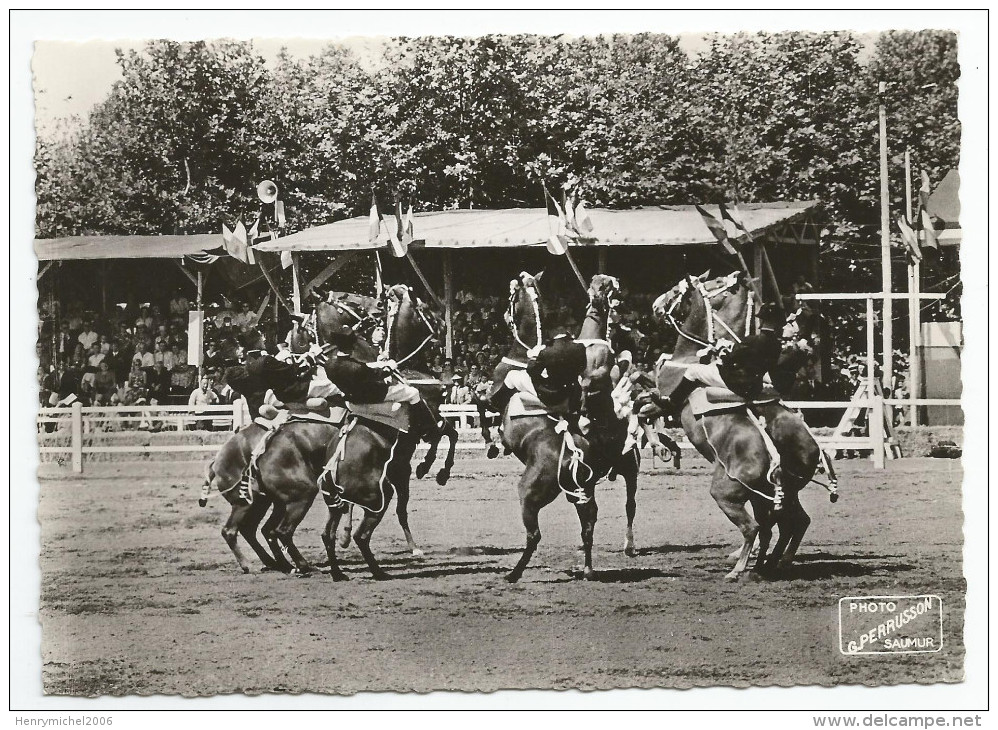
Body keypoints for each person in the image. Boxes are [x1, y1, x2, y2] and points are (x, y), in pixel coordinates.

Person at [651, 303, 785, 413]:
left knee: (693, 370)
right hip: (754, 385)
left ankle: (671, 403)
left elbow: (730, 359)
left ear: (763, 320)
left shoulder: (753, 340)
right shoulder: (776, 345)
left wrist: (721, 350)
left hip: (737, 384)